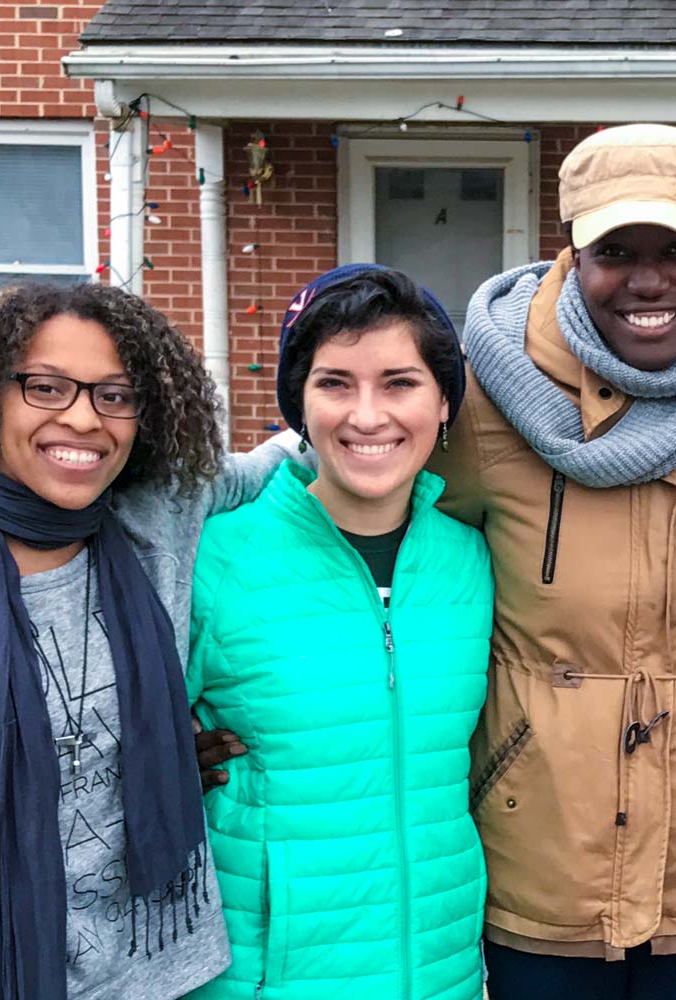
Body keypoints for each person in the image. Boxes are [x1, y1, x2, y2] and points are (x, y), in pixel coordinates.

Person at [0, 282, 300, 998]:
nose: (86, 418)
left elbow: (297, 453)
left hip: (161, 977)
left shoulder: (161, 523)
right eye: (47, 387)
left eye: (115, 395)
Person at [430, 123, 676, 998]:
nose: (648, 278)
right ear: (572, 253)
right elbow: (350, 508)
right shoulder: (481, 396)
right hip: (542, 862)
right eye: (616, 250)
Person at [183, 265, 492, 999]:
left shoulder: (472, 560)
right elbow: (70, 718)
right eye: (334, 384)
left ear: (444, 400)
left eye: (399, 383)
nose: (367, 416)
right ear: (298, 402)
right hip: (265, 977)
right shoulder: (216, 558)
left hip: (442, 972)